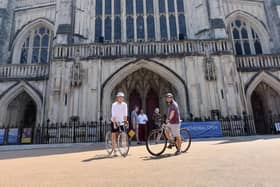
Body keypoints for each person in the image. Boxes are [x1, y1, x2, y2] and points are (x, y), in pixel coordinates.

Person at [111, 92, 128, 156]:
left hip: (121, 121)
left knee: (123, 135)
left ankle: (124, 149)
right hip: (114, 121)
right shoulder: (114, 105)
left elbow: (125, 114)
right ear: (117, 98)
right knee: (113, 135)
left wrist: (125, 122)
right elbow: (113, 115)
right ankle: (114, 150)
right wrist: (114, 124)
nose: (121, 98)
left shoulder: (125, 105)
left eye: (122, 97)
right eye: (119, 97)